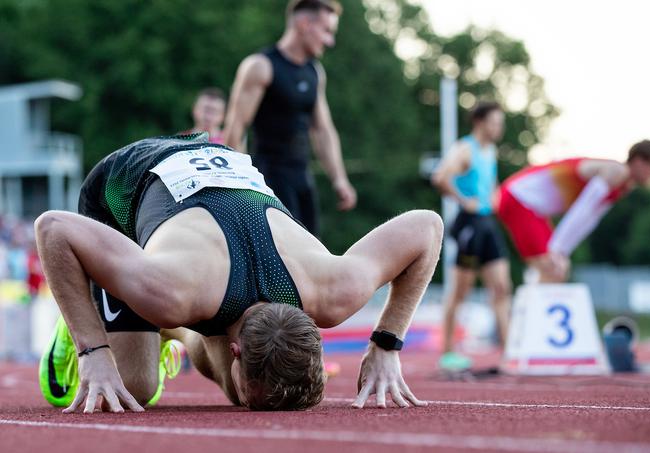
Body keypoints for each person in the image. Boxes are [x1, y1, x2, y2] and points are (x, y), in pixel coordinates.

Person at [35, 134, 442, 413]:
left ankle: (171, 332)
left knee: (236, 387)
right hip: (125, 181)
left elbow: (428, 226)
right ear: (236, 350)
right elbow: (54, 228)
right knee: (131, 389)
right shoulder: (171, 290)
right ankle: (80, 318)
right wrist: (94, 351)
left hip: (217, 174)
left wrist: (387, 344)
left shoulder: (333, 288)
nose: (248, 408)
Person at [223, 0, 356, 236]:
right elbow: (236, 127)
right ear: (305, 23)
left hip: (303, 179)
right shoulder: (261, 66)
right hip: (267, 179)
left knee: (313, 256)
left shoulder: (315, 71)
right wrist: (239, 186)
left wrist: (339, 179)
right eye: (326, 31)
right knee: (284, 259)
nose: (330, 41)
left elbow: (323, 129)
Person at [496, 139, 650, 282]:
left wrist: (562, 251)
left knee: (553, 270)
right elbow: (582, 209)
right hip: (521, 198)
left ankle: (530, 311)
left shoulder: (623, 186)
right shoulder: (617, 171)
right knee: (552, 268)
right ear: (639, 161)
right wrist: (556, 249)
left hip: (530, 206)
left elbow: (590, 219)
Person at [430, 102, 511, 371]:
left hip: (487, 223)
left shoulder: (491, 150)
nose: (499, 128)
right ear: (479, 122)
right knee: (460, 291)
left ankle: (508, 351)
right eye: (494, 122)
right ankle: (447, 353)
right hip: (469, 224)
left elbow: (492, 182)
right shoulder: (465, 149)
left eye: (501, 123)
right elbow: (440, 177)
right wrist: (465, 202)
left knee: (501, 287)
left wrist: (496, 197)